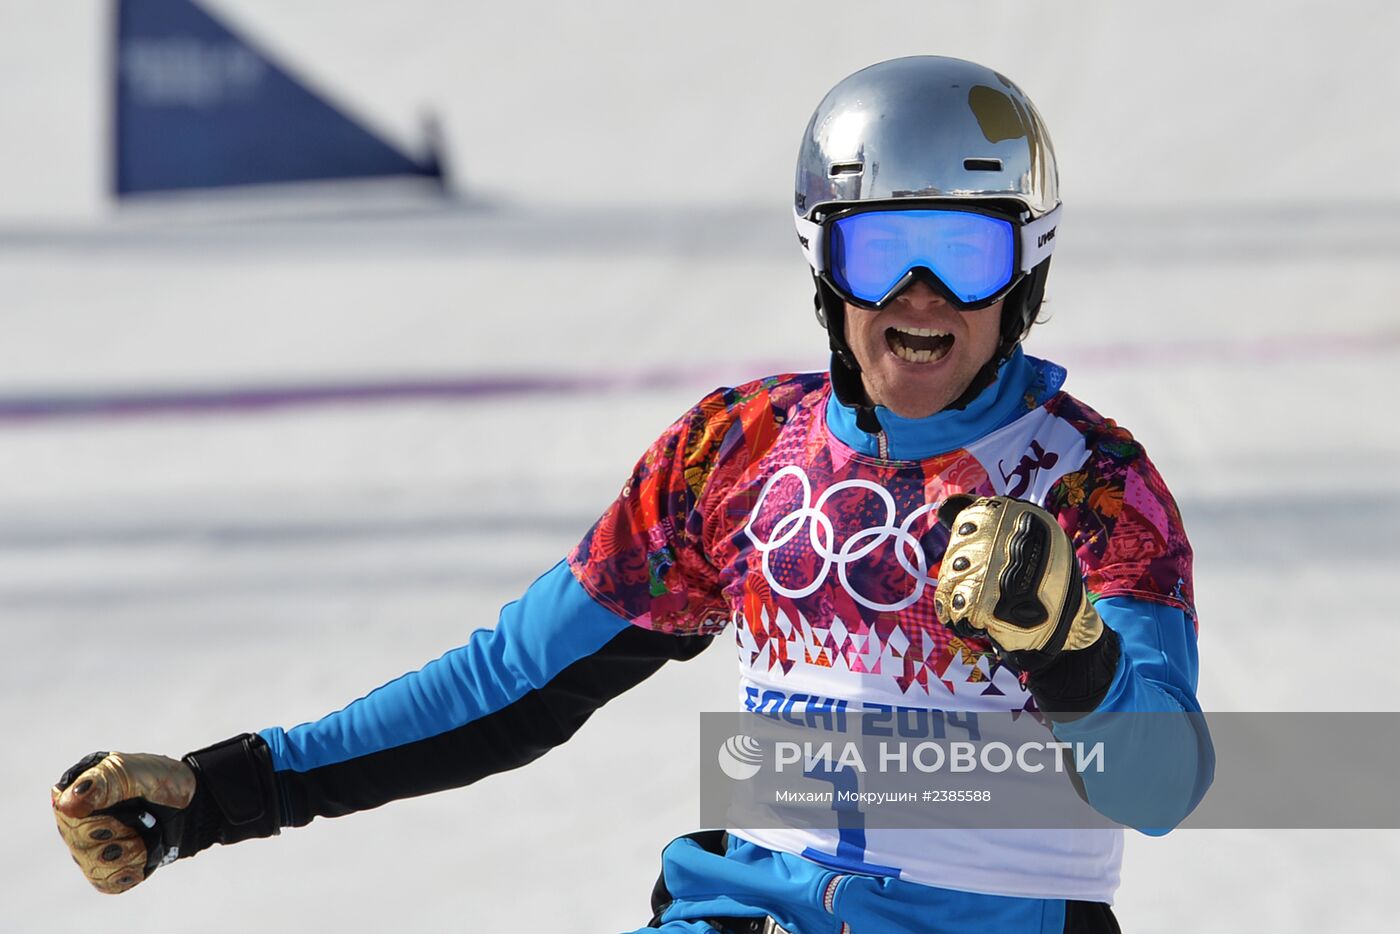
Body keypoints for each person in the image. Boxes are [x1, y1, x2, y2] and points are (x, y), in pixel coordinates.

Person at [52, 56, 1212, 933]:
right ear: (821, 261)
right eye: (876, 254)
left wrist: (1071, 651)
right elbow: (515, 679)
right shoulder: (739, 450)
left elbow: (1162, 784)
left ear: (1025, 270)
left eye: (961, 254)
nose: (917, 297)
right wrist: (221, 790)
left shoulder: (1092, 484)